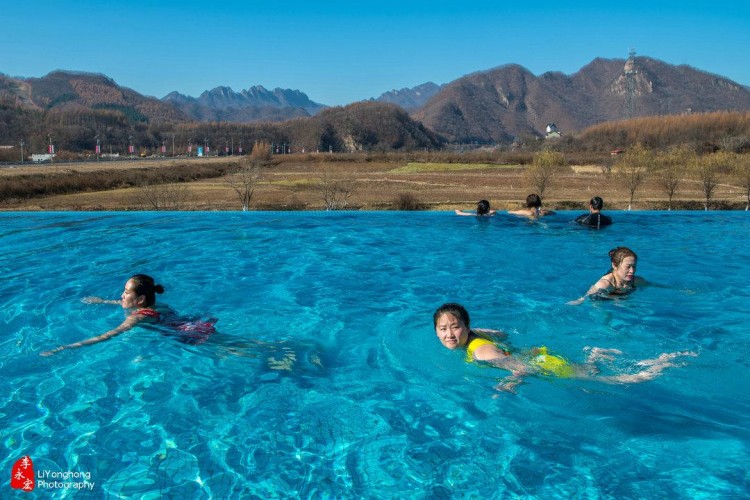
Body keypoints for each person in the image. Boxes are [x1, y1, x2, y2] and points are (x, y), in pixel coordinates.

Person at [433, 303, 695, 393]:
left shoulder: (480, 351)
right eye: (443, 329)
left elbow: (521, 369)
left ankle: (661, 364)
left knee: (615, 382)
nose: (449, 334)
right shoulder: (478, 333)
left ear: (466, 326)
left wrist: (509, 384)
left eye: (454, 327)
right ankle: (597, 355)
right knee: (587, 372)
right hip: (539, 354)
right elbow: (501, 333)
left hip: (545, 365)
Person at [41, 274, 216, 355]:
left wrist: (65, 347)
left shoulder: (138, 317)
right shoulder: (155, 305)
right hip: (191, 325)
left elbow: (108, 335)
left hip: (186, 335)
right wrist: (102, 301)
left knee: (226, 350)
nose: (121, 295)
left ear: (140, 299)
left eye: (126, 292)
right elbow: (121, 303)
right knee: (232, 346)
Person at [567, 247, 646, 305]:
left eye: (634, 266)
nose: (632, 271)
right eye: (628, 267)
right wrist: (580, 300)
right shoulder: (605, 284)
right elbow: (588, 296)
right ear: (614, 265)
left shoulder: (635, 281)